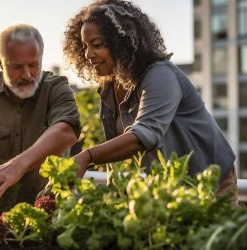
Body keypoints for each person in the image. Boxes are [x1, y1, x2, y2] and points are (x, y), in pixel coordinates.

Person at [63, 0, 238, 203]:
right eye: (85, 46)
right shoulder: (108, 86)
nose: (88, 54)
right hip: (170, 192)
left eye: (97, 45)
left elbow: (143, 135)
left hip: (210, 184)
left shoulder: (160, 75)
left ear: (121, 42)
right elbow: (118, 150)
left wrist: (87, 157)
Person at [0, 24, 80, 205]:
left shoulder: (57, 88)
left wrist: (18, 165)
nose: (27, 75)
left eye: (33, 65)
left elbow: (66, 131)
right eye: (17, 67)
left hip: (49, 210)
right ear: (0, 62)